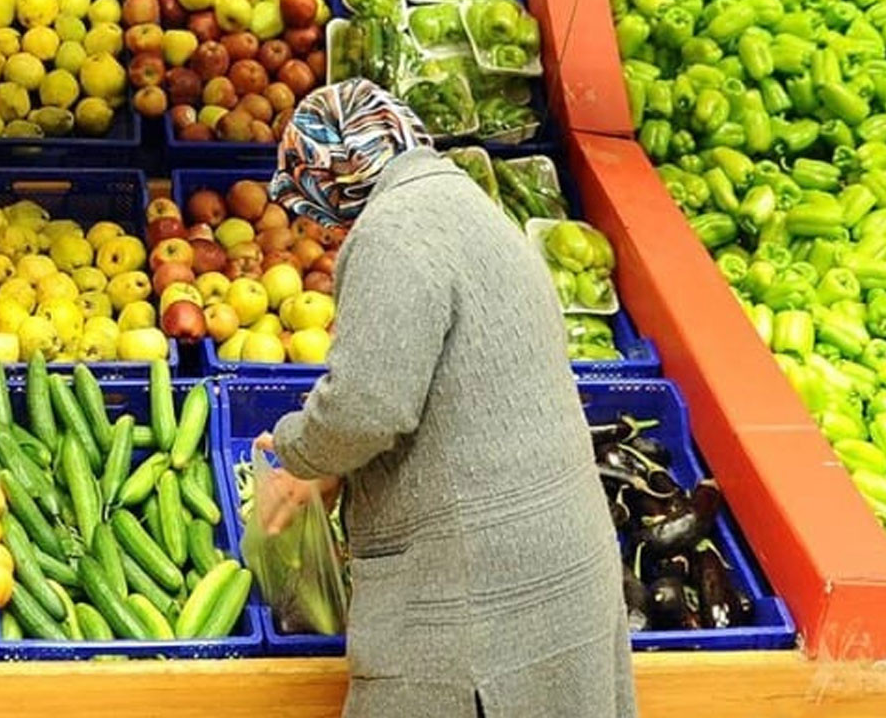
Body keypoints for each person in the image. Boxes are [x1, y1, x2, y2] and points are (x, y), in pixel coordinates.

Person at [253, 78, 636, 718]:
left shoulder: (392, 232)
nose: (315, 226)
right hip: (558, 569)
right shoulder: (467, 202)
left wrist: (300, 452)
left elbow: (367, 405)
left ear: (330, 179)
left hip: (479, 591)